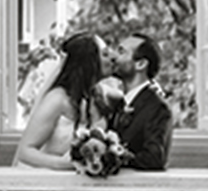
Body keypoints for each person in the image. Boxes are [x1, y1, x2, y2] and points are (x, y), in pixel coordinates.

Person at [13, 32, 108, 170]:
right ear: (89, 61)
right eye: (104, 54)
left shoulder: (99, 96)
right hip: (50, 180)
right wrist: (68, 164)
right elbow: (25, 152)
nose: (112, 58)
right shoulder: (57, 99)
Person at [106, 33, 172, 171]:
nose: (113, 56)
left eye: (121, 52)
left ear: (140, 64)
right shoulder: (120, 104)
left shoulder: (157, 107)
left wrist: (114, 156)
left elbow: (154, 158)